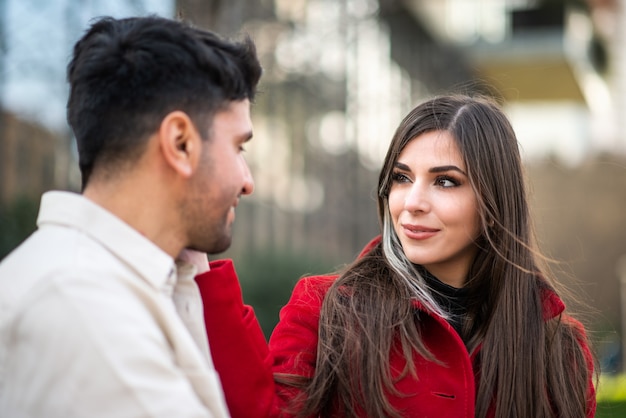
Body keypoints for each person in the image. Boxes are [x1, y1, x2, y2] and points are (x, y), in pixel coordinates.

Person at [195, 94, 597, 417]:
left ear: (494, 201)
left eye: (445, 181)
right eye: (402, 178)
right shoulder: (327, 310)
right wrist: (197, 260)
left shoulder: (557, 347)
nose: (412, 203)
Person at [0, 15, 261, 417]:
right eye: (238, 147)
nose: (247, 182)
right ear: (180, 143)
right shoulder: (85, 308)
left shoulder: (98, 279)